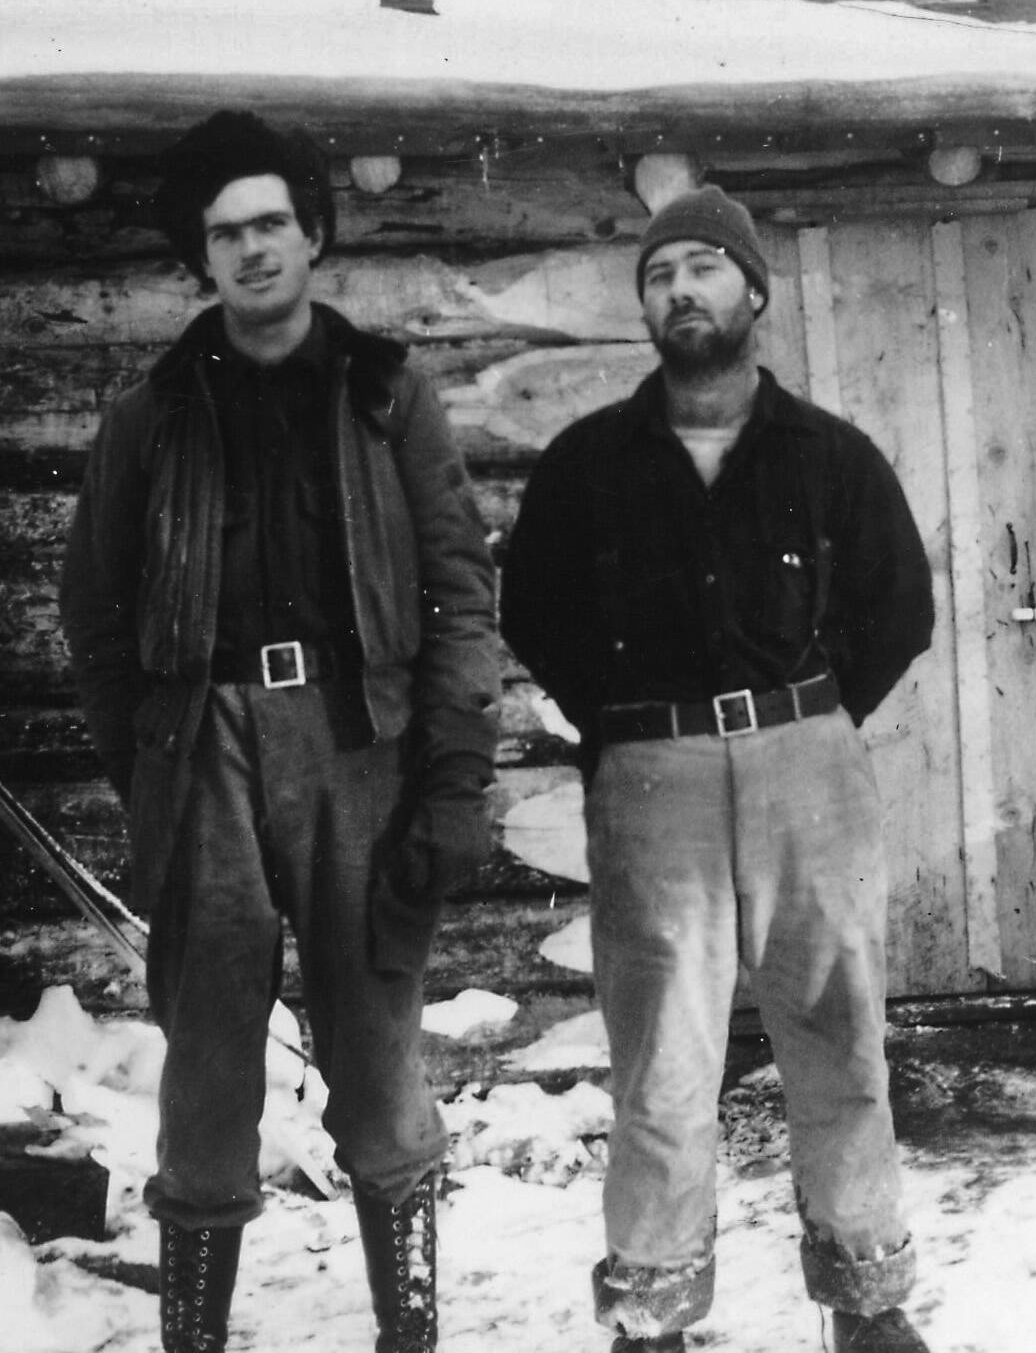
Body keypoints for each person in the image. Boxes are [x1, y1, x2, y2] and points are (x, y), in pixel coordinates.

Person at [59, 111, 500, 1353]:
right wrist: (145, 761)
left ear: (313, 235)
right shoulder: (152, 413)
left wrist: (455, 765)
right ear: (199, 258)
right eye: (223, 233)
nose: (250, 250)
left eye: (270, 224)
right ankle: (195, 1338)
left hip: (357, 744)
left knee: (375, 1043)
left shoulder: (383, 396)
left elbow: (458, 586)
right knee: (206, 1056)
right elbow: (91, 607)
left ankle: (407, 1332)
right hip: (203, 747)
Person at [501, 186, 935, 1353]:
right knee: (661, 1071)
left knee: (841, 1046)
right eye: (658, 275)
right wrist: (632, 732)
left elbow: (898, 608)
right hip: (655, 787)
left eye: (702, 267)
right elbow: (533, 612)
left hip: (809, 771)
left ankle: (869, 1302)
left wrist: (810, 724)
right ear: (644, 307)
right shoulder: (589, 463)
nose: (680, 290)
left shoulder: (829, 456)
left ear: (751, 290)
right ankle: (651, 1313)